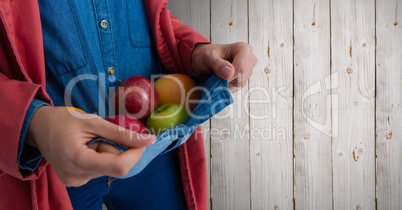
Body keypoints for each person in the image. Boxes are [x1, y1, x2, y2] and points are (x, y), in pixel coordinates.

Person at [0, 0, 257, 209]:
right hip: (52, 168)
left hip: (155, 150)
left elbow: (153, 18)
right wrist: (33, 122)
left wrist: (195, 52)